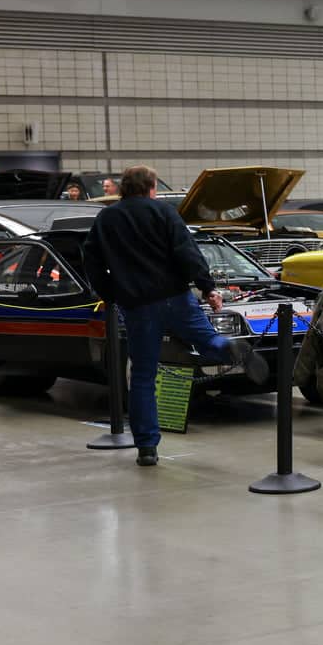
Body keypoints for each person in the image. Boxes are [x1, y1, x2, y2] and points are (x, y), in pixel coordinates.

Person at [81, 166, 268, 466]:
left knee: (143, 375)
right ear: (151, 187)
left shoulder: (107, 218)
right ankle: (228, 348)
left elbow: (91, 259)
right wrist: (208, 288)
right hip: (176, 297)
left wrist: (111, 293)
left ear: (124, 188)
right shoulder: (164, 213)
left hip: (138, 305)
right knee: (205, 340)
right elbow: (187, 251)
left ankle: (147, 448)